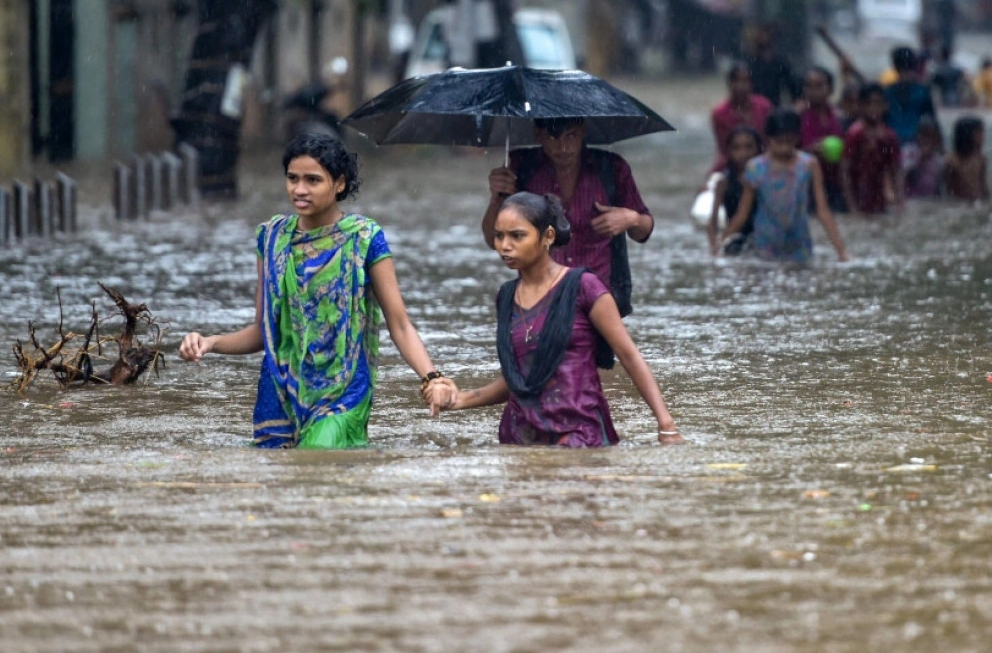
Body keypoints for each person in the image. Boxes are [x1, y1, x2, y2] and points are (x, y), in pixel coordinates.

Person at [178, 134, 454, 449]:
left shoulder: (364, 239)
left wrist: (432, 377)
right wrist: (210, 342)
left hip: (343, 389)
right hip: (280, 389)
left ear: (339, 184)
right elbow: (263, 330)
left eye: (313, 180)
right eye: (292, 179)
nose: (299, 189)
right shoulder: (271, 239)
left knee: (319, 457)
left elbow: (400, 324)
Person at [425, 193, 683, 447]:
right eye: (499, 235)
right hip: (519, 439)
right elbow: (521, 378)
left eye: (517, 235)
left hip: (581, 438)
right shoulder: (506, 296)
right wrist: (461, 399)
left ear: (547, 236)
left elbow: (629, 356)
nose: (504, 245)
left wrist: (666, 426)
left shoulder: (584, 286)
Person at [482, 117, 653, 367]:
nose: (563, 148)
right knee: (537, 372)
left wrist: (631, 218)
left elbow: (644, 231)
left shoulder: (611, 168)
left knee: (595, 374)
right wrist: (497, 197)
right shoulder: (520, 167)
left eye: (571, 136)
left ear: (583, 132)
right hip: (541, 296)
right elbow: (492, 239)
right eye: (553, 138)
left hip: (598, 299)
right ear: (538, 135)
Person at [712, 110, 849, 263]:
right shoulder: (756, 167)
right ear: (769, 139)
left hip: (799, 244)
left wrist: (841, 252)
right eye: (779, 142)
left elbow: (822, 210)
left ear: (797, 138)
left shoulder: (808, 164)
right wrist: (718, 249)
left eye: (789, 142)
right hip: (765, 243)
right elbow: (742, 214)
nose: (784, 148)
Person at [842, 84, 903, 215]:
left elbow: (895, 171)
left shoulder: (889, 137)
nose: (873, 108)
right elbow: (845, 172)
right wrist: (852, 208)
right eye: (868, 103)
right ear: (860, 106)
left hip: (880, 200)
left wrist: (900, 204)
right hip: (858, 198)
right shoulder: (854, 135)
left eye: (878, 103)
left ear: (885, 106)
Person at [705, 127, 763, 255]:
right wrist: (715, 246)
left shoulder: (765, 179)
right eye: (736, 148)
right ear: (729, 152)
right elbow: (712, 222)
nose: (743, 153)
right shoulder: (724, 182)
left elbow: (741, 217)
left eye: (749, 147)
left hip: (763, 238)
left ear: (759, 150)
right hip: (736, 239)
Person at [798, 66, 846, 212]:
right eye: (809, 86)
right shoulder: (798, 117)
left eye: (819, 86)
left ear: (830, 89)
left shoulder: (840, 117)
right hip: (807, 184)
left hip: (836, 182)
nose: (813, 91)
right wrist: (813, 150)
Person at [709, 62, 773, 172]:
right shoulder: (719, 113)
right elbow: (724, 149)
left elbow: (771, 140)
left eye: (745, 81)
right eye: (736, 81)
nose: (740, 86)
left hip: (765, 161)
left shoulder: (764, 106)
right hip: (732, 163)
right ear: (729, 84)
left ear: (751, 84)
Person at [884, 46, 937, 148]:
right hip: (911, 143)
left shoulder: (887, 92)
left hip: (897, 143)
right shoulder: (923, 92)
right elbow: (933, 121)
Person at [746, 24, 799, 106]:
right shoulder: (752, 61)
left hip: (773, 104)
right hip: (755, 106)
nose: (761, 38)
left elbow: (791, 84)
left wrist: (795, 100)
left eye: (764, 35)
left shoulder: (779, 62)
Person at [944, 116, 990, 202]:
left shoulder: (981, 159)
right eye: (979, 133)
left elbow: (984, 187)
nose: (983, 137)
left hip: (977, 202)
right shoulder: (952, 161)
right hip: (958, 205)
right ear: (966, 135)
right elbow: (947, 191)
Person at [904, 116, 945, 199]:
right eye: (924, 135)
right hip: (911, 200)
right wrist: (920, 158)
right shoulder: (908, 152)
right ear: (917, 135)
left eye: (931, 136)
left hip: (931, 201)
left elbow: (941, 187)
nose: (927, 140)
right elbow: (903, 176)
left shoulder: (938, 158)